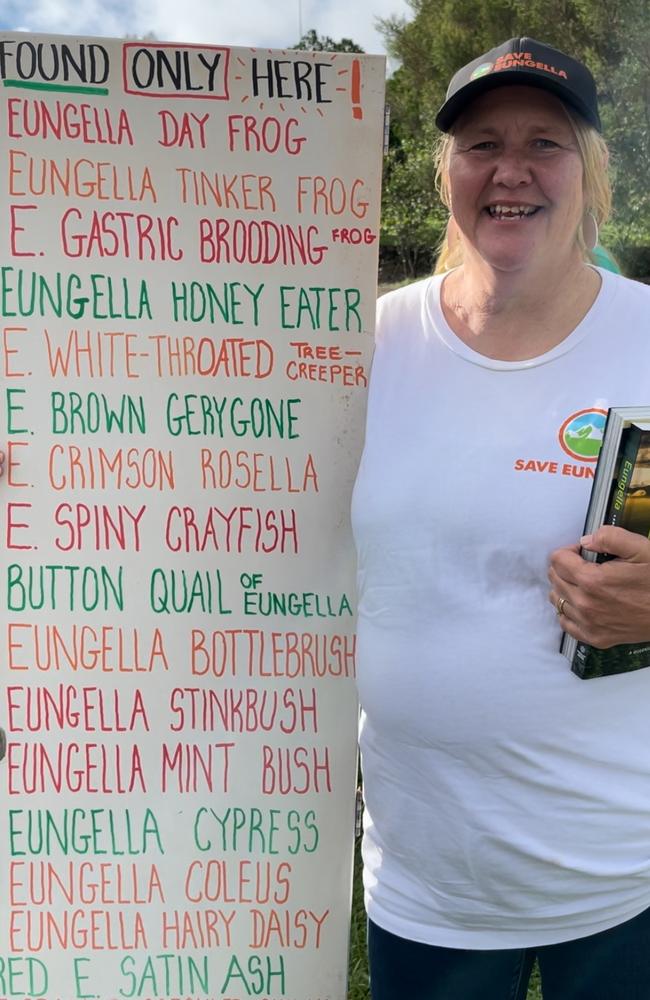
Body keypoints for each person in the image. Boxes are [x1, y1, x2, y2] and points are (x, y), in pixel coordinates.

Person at [352, 36, 650, 1000]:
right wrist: (48, 470)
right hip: (427, 884)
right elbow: (226, 485)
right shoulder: (362, 346)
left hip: (624, 881)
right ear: (446, 171)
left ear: (591, 169)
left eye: (544, 143)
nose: (510, 169)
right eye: (480, 142)